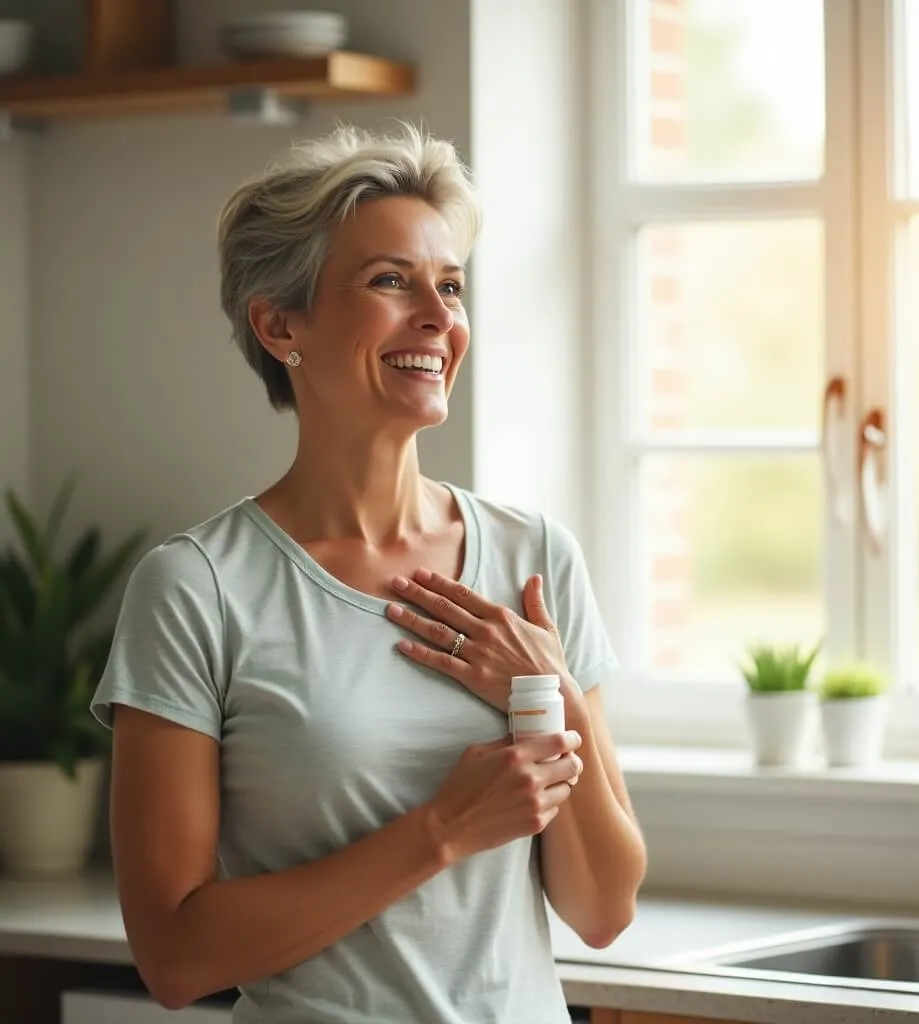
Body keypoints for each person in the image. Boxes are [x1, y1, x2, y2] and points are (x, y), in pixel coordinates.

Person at [91, 121, 647, 1024]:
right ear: (281, 325)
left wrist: (552, 692)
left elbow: (604, 910)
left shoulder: (535, 556)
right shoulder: (197, 589)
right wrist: (441, 831)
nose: (439, 317)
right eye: (391, 280)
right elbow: (175, 956)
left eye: (452, 286)